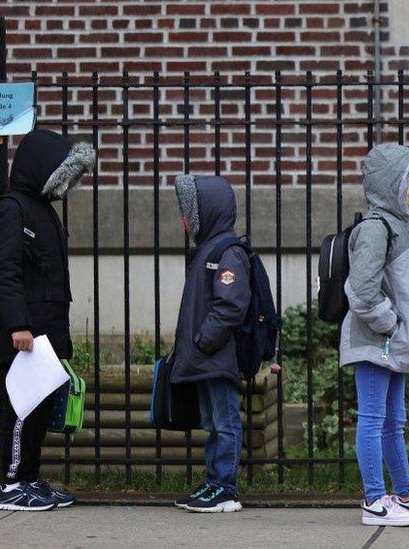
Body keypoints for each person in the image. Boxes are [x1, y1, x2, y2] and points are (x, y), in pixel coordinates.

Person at [341, 143, 409, 526]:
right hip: (376, 342)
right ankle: (374, 500)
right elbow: (360, 289)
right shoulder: (376, 229)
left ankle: (405, 494)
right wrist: (389, 323)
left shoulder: (401, 228)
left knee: (394, 421)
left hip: (390, 343)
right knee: (373, 419)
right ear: (396, 183)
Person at [0, 129, 94, 511]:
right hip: (24, 335)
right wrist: (19, 324)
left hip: (44, 335)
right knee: (20, 412)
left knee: (36, 414)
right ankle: (11, 486)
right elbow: (4, 271)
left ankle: (30, 479)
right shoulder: (11, 209)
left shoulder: (40, 209)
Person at [171, 174, 251, 513]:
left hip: (218, 357)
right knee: (211, 423)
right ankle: (213, 483)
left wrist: (203, 342)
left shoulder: (227, 251)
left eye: (188, 210)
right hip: (205, 357)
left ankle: (225, 488)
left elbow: (231, 305)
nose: (184, 219)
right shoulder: (206, 250)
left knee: (225, 421)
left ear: (206, 211)